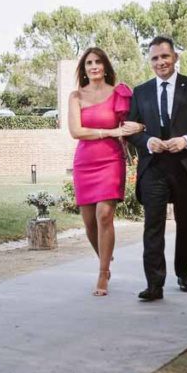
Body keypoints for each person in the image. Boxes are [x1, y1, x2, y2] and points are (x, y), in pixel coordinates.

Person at [123, 36, 187, 302]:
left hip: (186, 167)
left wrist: (186, 140)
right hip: (153, 167)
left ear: (175, 57)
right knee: (153, 226)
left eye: (165, 56)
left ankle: (184, 273)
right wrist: (147, 141)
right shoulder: (140, 92)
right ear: (150, 62)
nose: (160, 62)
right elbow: (131, 130)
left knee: (186, 223)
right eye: (154, 58)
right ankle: (154, 285)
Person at [68, 48, 143, 296]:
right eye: (89, 62)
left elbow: (133, 123)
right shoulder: (76, 96)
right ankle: (105, 259)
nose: (94, 66)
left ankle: (102, 275)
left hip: (111, 159)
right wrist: (108, 132)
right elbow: (76, 132)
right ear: (84, 68)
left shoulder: (119, 93)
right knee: (88, 222)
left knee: (104, 215)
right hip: (85, 162)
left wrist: (140, 127)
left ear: (105, 66)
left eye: (98, 61)